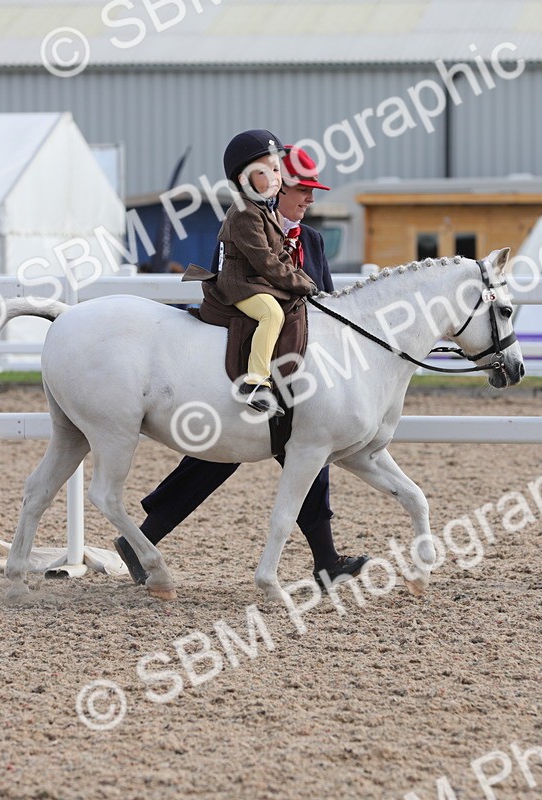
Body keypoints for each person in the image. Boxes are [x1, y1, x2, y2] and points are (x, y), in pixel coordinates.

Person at [114, 141, 369, 588]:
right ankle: (146, 536)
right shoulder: (247, 221)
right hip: (241, 347)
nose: (310, 200)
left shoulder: (311, 240)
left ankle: (325, 558)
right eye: (303, 191)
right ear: (280, 188)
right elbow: (231, 287)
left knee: (304, 454)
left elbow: (324, 300)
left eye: (312, 192)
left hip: (298, 359)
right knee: (223, 456)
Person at [215, 129, 317, 416]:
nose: (274, 177)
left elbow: (281, 254)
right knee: (271, 313)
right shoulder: (244, 212)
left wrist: (303, 279)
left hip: (257, 281)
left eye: (276, 169)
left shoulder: (267, 210)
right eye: (265, 171)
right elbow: (264, 260)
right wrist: (297, 283)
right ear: (243, 180)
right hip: (241, 284)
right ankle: (255, 382)